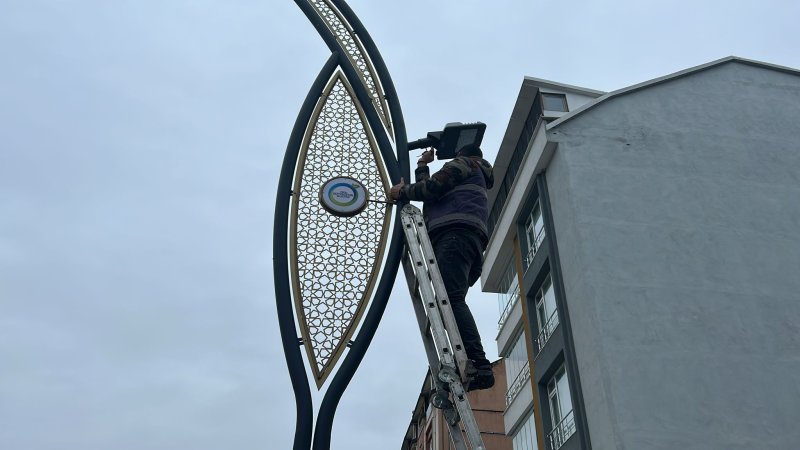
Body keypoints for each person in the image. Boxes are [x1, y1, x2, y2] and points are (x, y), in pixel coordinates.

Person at [390, 143, 495, 391]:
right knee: (448, 303)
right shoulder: (476, 172)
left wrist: (402, 192)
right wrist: (422, 165)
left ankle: (480, 366)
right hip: (465, 241)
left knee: (451, 300)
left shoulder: (465, 164)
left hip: (454, 236)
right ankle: (466, 363)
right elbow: (433, 194)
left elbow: (433, 188)